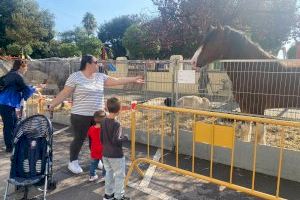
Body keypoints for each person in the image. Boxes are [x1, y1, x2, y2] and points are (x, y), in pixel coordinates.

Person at [48, 54, 143, 174]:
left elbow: (117, 81)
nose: (98, 64)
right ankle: (73, 162)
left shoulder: (100, 77)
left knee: (97, 140)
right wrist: (52, 104)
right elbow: (64, 93)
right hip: (80, 115)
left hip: (99, 116)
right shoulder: (75, 77)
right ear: (88, 64)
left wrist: (133, 79)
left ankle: (96, 159)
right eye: (96, 62)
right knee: (79, 139)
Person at [0, 59, 36, 152]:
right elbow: (25, 90)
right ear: (21, 66)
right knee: (10, 125)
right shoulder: (17, 76)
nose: (26, 69)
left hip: (4, 103)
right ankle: (10, 147)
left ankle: (12, 144)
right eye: (26, 67)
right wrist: (34, 88)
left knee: (13, 123)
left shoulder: (8, 75)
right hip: (8, 103)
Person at [101, 97, 129, 200]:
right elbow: (116, 140)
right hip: (116, 155)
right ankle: (119, 196)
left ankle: (108, 194)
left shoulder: (103, 121)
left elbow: (101, 138)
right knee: (119, 176)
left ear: (107, 108)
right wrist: (124, 138)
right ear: (119, 110)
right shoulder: (117, 124)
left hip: (105, 154)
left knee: (109, 173)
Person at [88, 110, 106, 182]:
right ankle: (105, 176)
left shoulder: (91, 128)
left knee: (93, 163)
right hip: (103, 149)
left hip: (94, 148)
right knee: (105, 164)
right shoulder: (104, 129)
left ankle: (92, 176)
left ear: (94, 119)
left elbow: (89, 136)